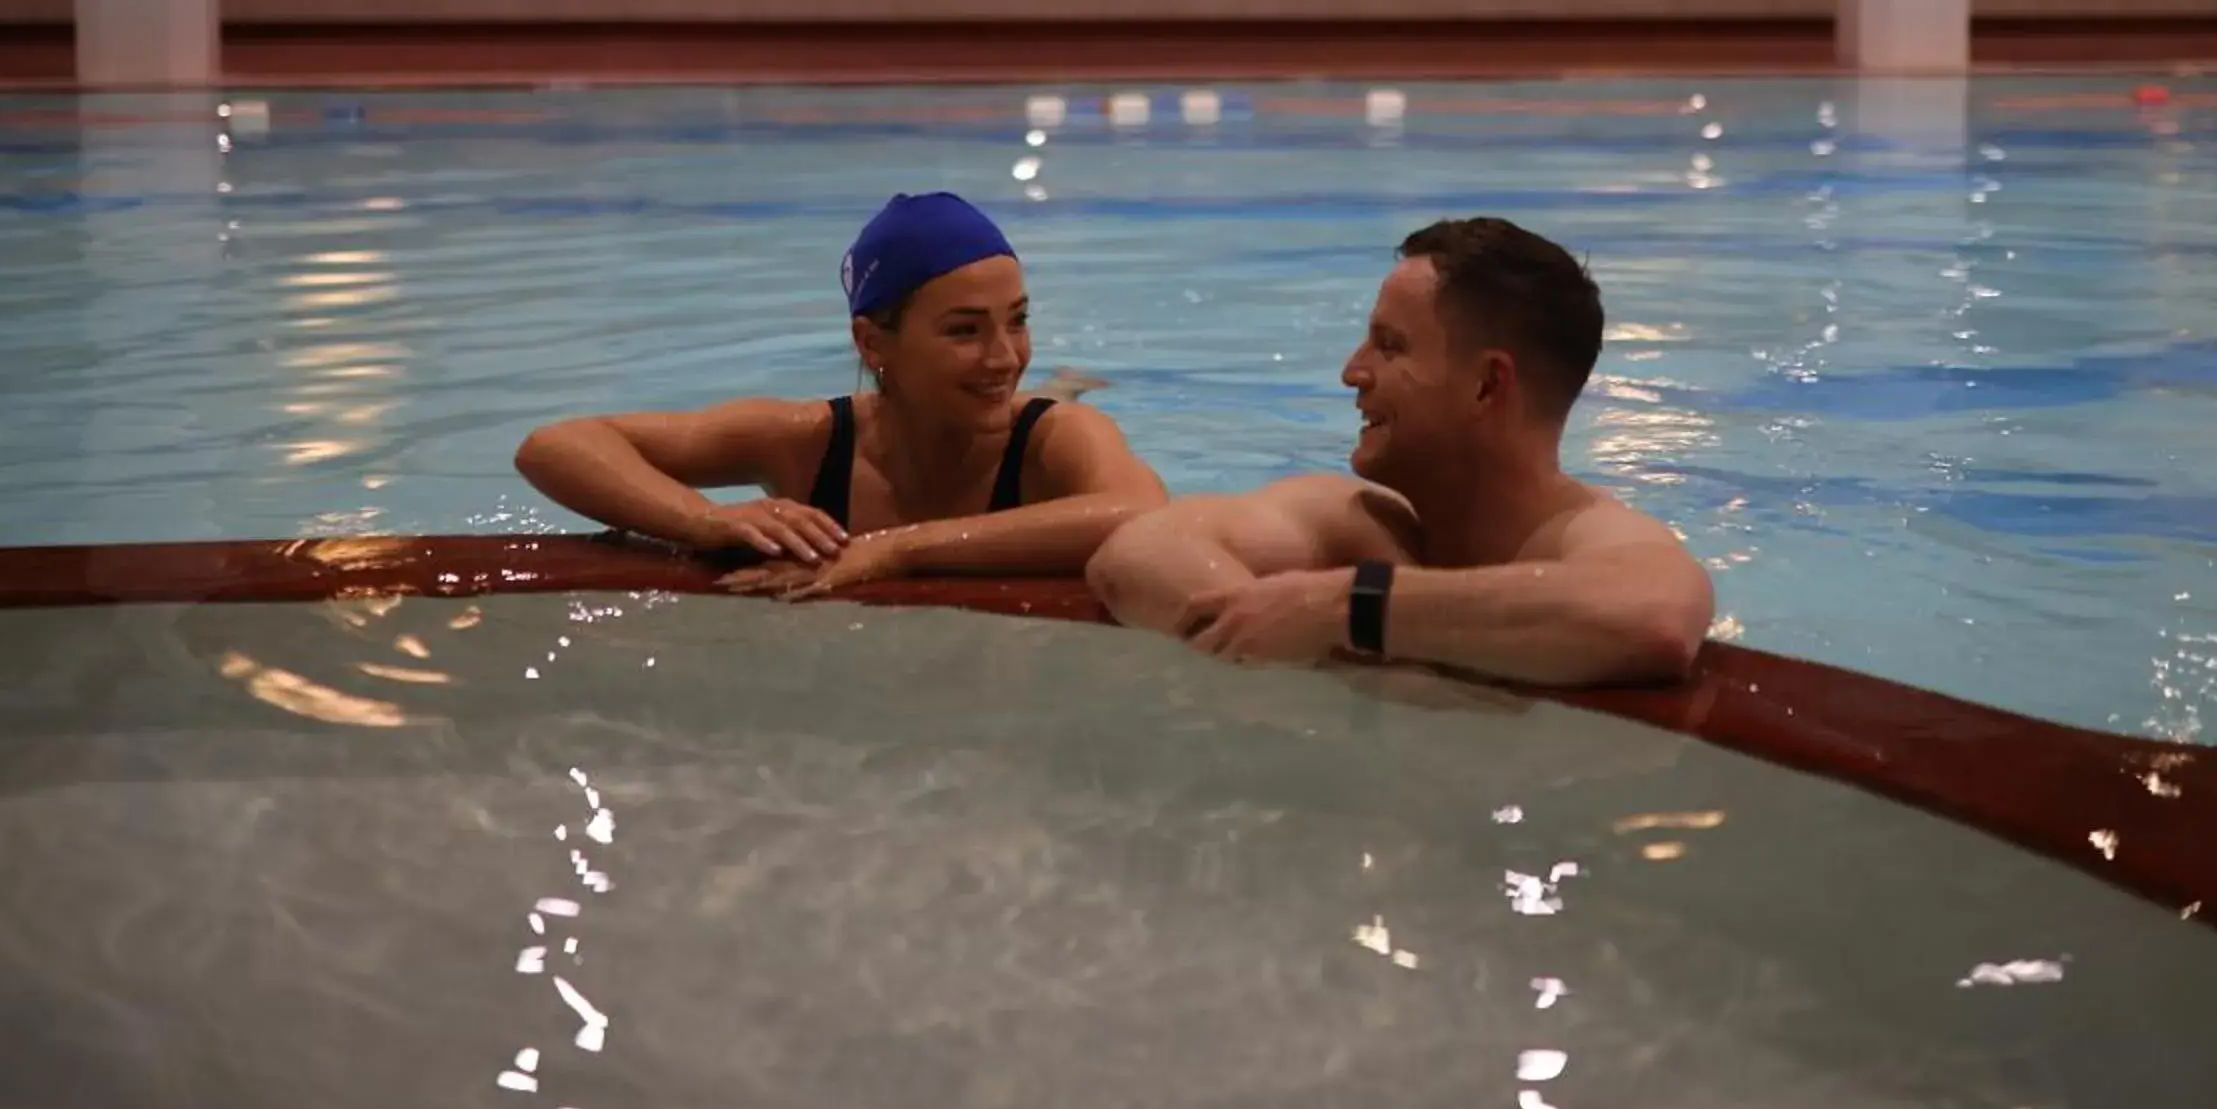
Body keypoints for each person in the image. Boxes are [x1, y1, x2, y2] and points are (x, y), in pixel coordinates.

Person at [1088, 217, 1713, 687]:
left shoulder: (1595, 536)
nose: (1351, 373)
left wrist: (1348, 608)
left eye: (1389, 346)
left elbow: (1655, 619)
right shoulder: (1359, 519)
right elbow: (1137, 553)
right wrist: (1325, 661)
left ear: (1486, 385)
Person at [516, 193, 1166, 598]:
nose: (1005, 355)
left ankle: (1068, 386)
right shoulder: (807, 442)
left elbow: (1141, 513)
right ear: (872, 342)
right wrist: (707, 519)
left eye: (1018, 321)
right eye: (964, 330)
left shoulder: (1051, 440)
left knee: (1043, 400)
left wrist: (895, 547)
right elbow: (555, 446)